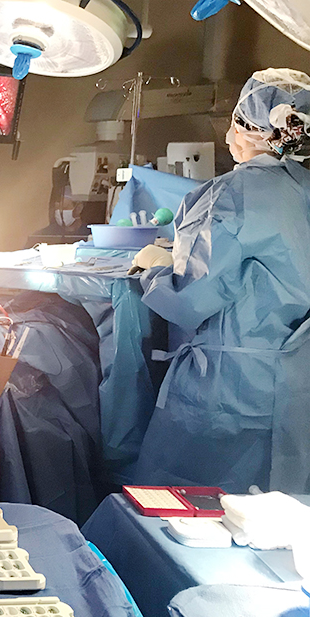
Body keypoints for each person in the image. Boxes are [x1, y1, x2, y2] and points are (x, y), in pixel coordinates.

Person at [129, 68, 310, 493]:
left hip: (234, 388)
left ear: (249, 127)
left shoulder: (232, 194)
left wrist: (155, 269)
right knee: (281, 506)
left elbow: (190, 299)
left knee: (193, 505)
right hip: (298, 382)